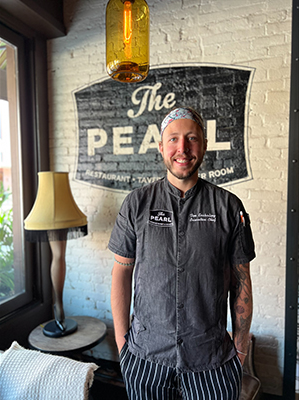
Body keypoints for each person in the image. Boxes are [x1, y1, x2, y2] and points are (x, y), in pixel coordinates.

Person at [109, 107, 255, 400]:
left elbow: (242, 281)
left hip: (211, 362)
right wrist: (122, 344)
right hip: (145, 358)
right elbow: (121, 271)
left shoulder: (228, 206)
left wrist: (240, 348)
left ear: (203, 145)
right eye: (173, 139)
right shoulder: (137, 204)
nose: (182, 148)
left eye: (192, 138)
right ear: (162, 147)